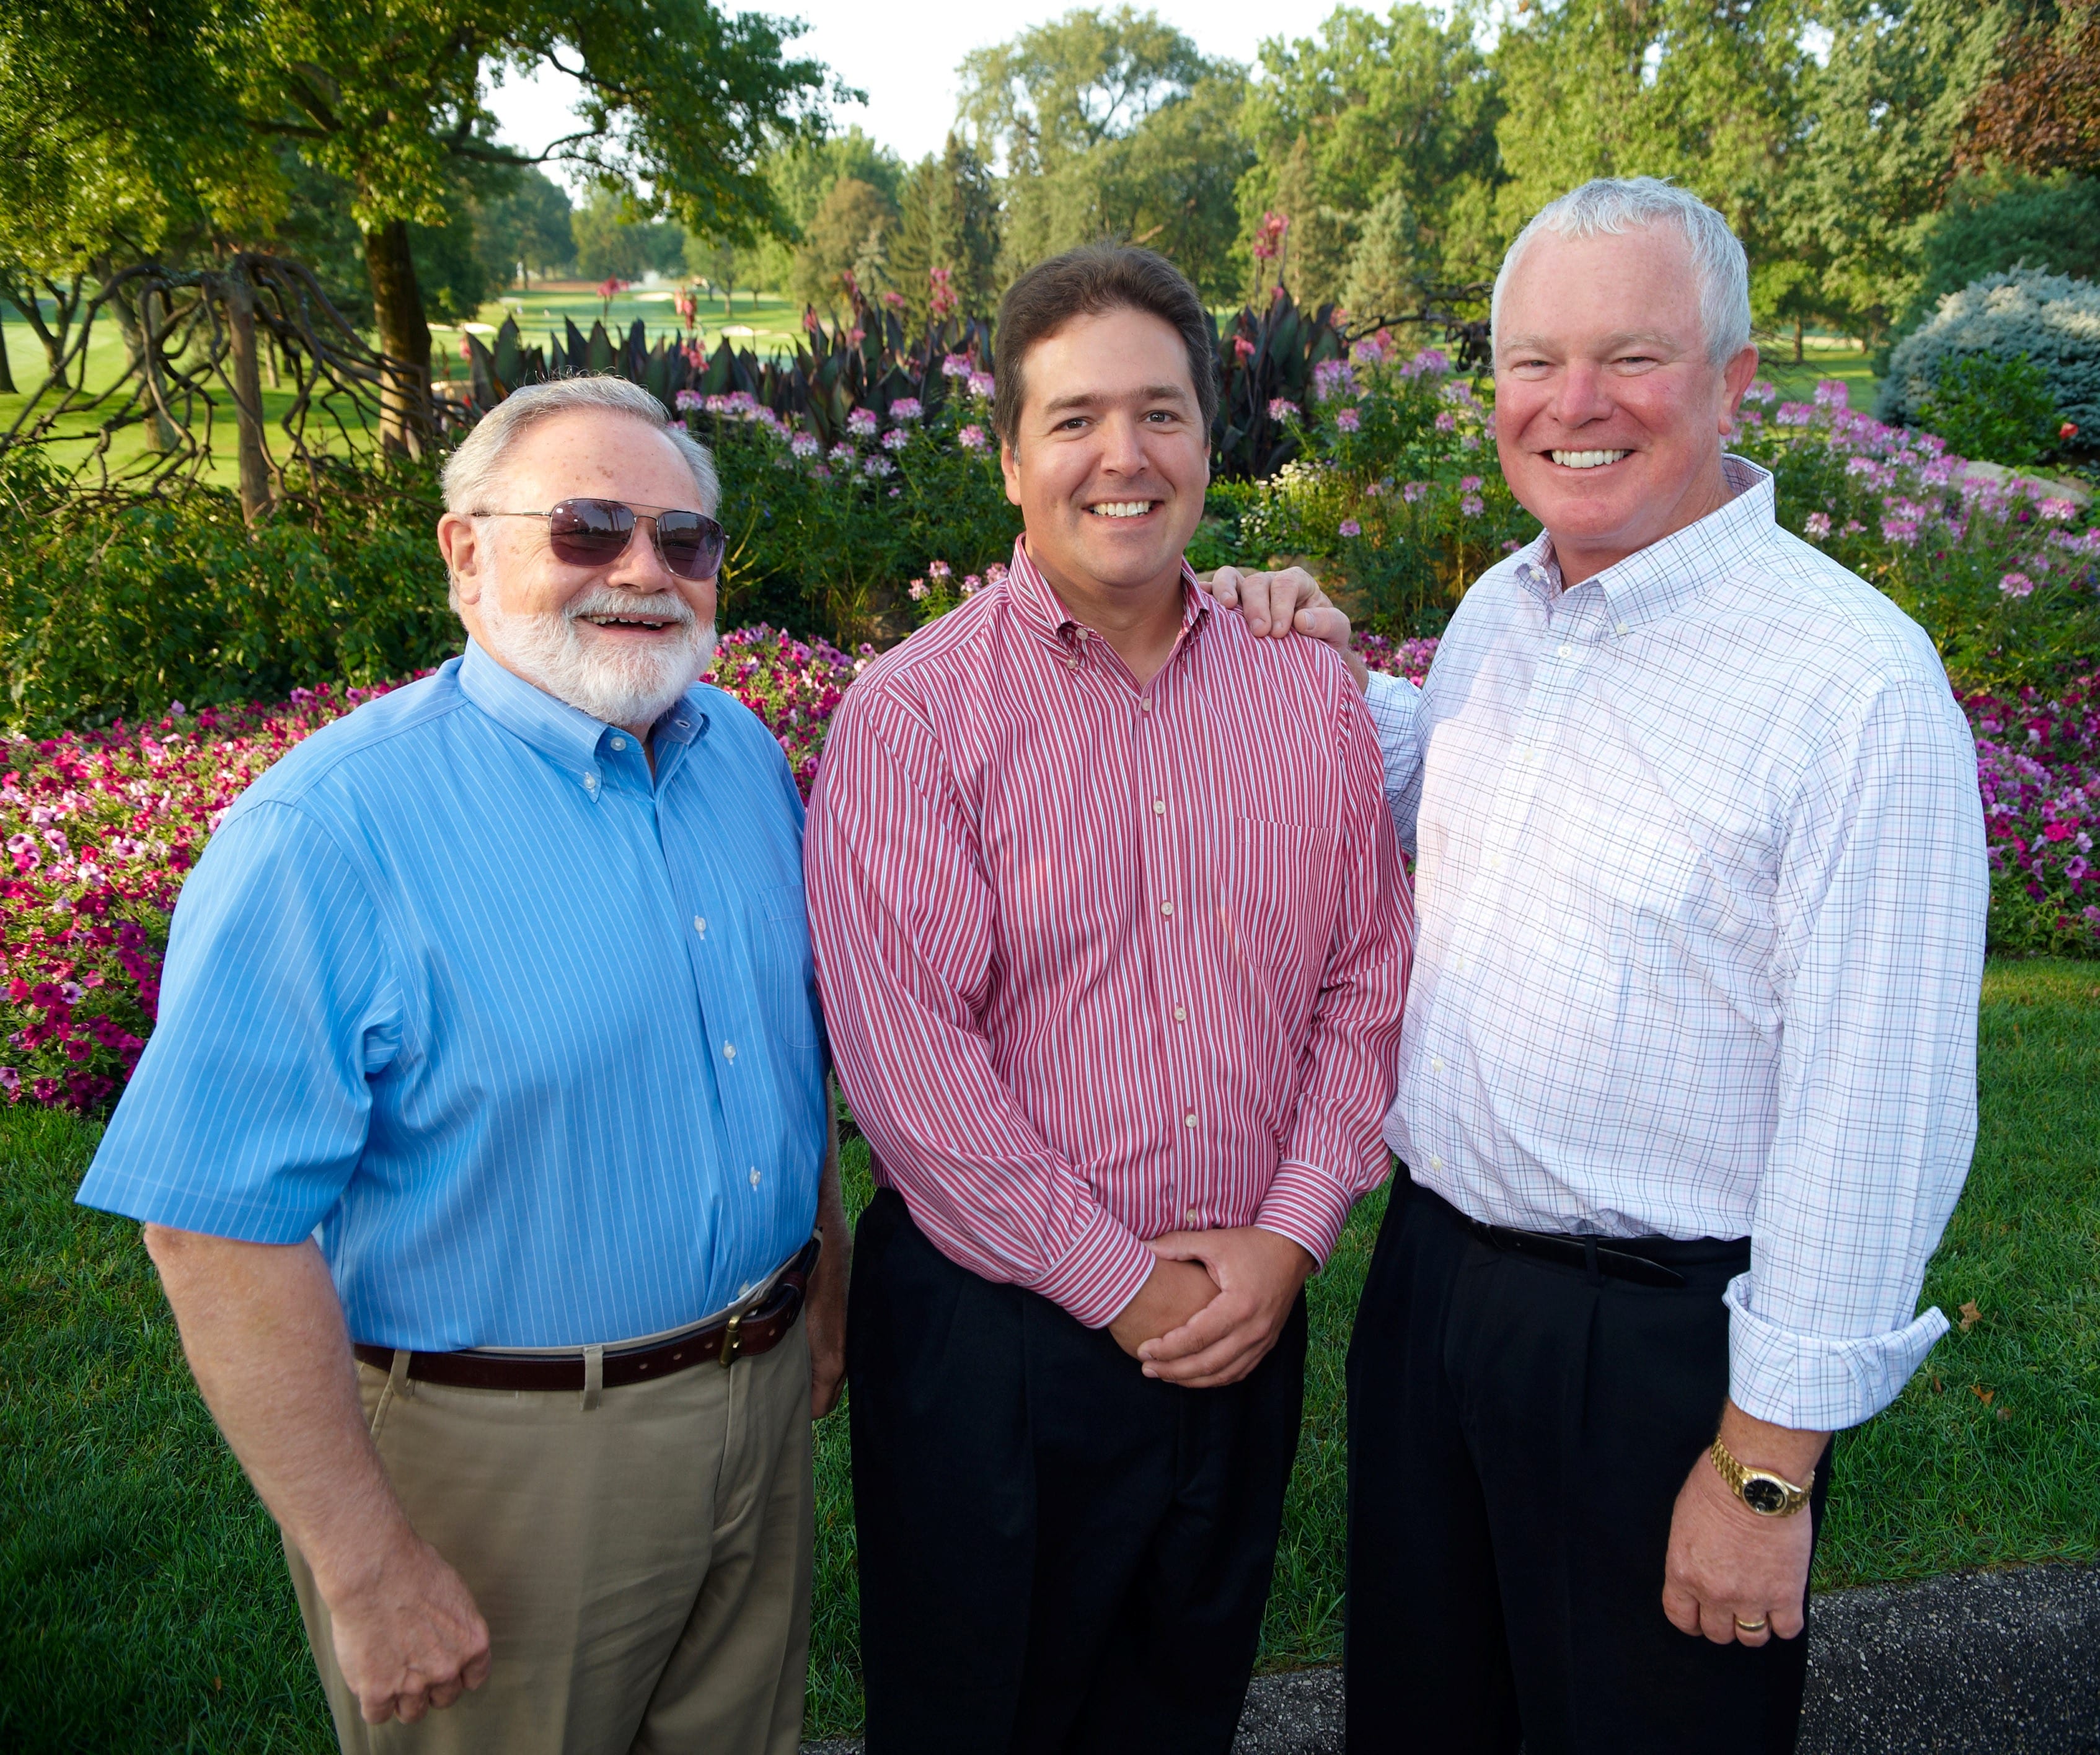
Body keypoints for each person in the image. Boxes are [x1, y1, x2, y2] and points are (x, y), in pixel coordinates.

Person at [1211, 177, 1989, 1753]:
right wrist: (1300, 659)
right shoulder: (1514, 603)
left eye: (1629, 355)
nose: (1572, 404)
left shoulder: (1849, 687)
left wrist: (1762, 1470)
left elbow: (1879, 1112)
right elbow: (1467, 781)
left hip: (1655, 1354)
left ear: (1731, 378)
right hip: (1436, 1297)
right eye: (1528, 360)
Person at [75, 375, 850, 1755]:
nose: (641, 573)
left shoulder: (734, 753)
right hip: (504, 1461)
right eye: (587, 528)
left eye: (683, 542)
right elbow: (210, 1230)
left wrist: (820, 1281)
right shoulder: (324, 833)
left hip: (757, 1397)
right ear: (463, 552)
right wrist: (364, 1567)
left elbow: (770, 1058)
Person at [803, 244, 1413, 1755]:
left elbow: (1366, 980)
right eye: (1073, 419)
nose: (1120, 457)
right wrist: (1126, 1288)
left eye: (1159, 412)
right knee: (980, 1717)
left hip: (1241, 1319)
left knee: (1176, 1707)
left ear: (1213, 436)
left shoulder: (1303, 688)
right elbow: (908, 1066)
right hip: (998, 1345)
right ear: (1009, 458)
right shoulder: (913, 715)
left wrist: (1292, 1233)